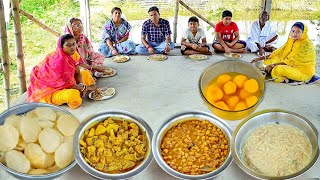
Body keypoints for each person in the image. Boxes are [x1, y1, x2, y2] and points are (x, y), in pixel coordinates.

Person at [27, 34, 97, 109]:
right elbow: (65, 84)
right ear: (61, 47)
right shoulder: (59, 61)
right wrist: (84, 88)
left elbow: (77, 73)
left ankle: (80, 90)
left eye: (74, 44)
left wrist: (81, 84)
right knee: (73, 95)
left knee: (85, 73)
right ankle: (63, 99)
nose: (72, 47)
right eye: (68, 45)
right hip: (51, 90)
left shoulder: (74, 54)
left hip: (67, 83)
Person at [251, 22, 315, 83]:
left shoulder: (306, 44)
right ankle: (278, 73)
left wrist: (273, 65)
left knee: (277, 69)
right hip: (289, 64)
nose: (295, 34)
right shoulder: (292, 40)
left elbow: (293, 61)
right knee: (265, 63)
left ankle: (285, 79)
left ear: (303, 33)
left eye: (298, 31)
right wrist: (261, 58)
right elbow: (278, 52)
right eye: (293, 31)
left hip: (303, 71)